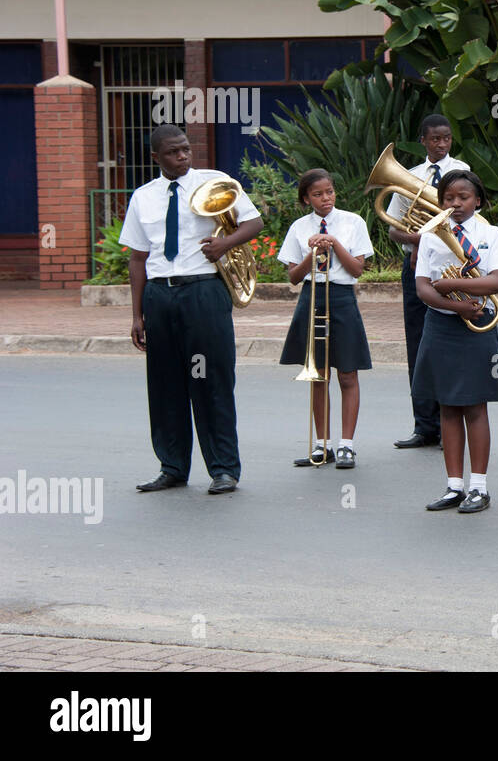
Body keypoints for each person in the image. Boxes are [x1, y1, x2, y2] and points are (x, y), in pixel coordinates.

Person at [123, 124, 264, 495]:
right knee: (165, 385)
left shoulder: (215, 182)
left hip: (202, 293)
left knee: (210, 380)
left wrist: (224, 244)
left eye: (185, 149)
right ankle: (172, 467)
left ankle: (223, 469)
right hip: (159, 296)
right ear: (156, 157)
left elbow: (254, 222)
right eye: (173, 152)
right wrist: (136, 315)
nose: (183, 156)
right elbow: (138, 258)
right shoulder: (143, 197)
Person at [416, 171, 498, 514]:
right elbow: (424, 286)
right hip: (442, 324)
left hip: (480, 324)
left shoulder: (492, 234)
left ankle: (479, 487)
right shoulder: (430, 235)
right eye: (448, 199)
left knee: (475, 406)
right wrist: (454, 303)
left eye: (463, 198)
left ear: (478, 201)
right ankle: (453, 486)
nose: (455, 204)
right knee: (447, 405)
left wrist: (460, 291)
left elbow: (497, 281)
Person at [277, 169, 374, 470]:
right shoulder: (298, 227)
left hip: (342, 297)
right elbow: (294, 277)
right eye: (318, 194)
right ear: (306, 198)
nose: (326, 198)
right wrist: (312, 252)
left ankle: (347, 445)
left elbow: (357, 270)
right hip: (312, 296)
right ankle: (322, 445)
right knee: (318, 375)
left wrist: (332, 243)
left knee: (347, 373)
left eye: (329, 191)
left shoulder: (352, 222)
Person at [387, 114, 471, 451]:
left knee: (452, 340)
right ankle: (425, 426)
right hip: (416, 265)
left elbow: (470, 216)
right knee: (419, 344)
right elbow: (394, 226)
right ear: (423, 140)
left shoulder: (460, 170)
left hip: (453, 266)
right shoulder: (409, 177)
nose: (441, 144)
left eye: (446, 139)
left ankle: (454, 420)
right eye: (435, 139)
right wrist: (417, 240)